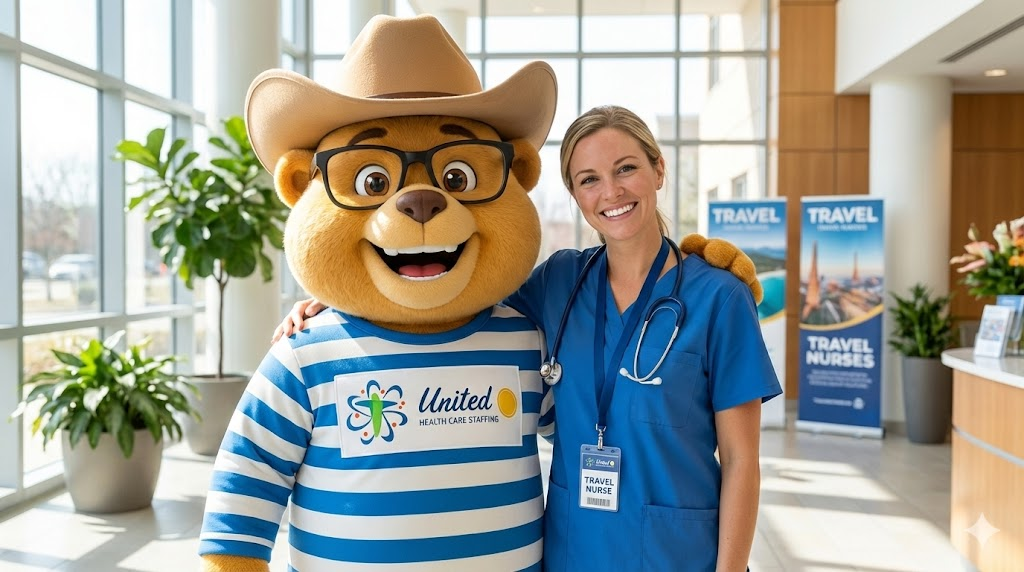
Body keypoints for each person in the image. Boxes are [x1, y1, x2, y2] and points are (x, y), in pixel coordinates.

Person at [275, 105, 781, 571]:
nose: (612, 192)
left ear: (658, 171)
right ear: (576, 195)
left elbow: (741, 462)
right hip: (572, 548)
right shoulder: (560, 281)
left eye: (626, 168)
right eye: (589, 179)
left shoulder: (719, 298)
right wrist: (345, 299)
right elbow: (454, 295)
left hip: (677, 551)